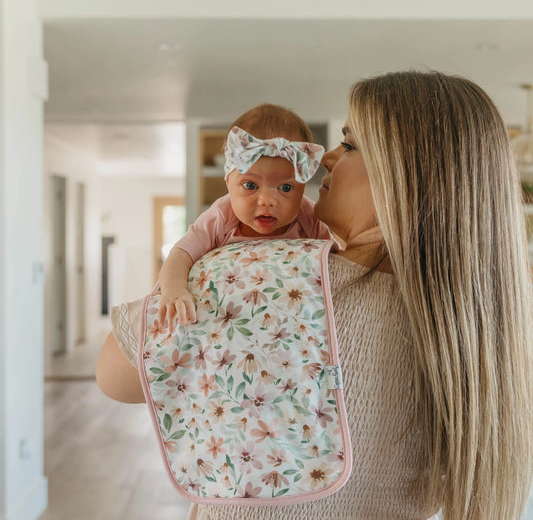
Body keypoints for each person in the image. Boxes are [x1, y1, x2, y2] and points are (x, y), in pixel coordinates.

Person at [96, 70, 533, 520]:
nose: (327, 158)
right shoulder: (473, 329)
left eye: (350, 144)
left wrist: (196, 265)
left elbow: (113, 375)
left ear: (404, 175)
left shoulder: (253, 274)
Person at [158, 104, 331, 331]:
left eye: (286, 188)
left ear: (303, 187)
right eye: (250, 185)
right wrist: (174, 290)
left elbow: (335, 263)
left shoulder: (308, 217)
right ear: (228, 181)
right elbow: (180, 255)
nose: (267, 200)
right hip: (228, 321)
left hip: (288, 323)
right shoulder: (221, 216)